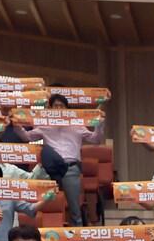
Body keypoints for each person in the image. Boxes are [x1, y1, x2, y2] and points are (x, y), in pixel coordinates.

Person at [10, 92, 105, 225]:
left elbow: (95, 140)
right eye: (55, 106)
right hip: (50, 170)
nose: (58, 109)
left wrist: (99, 125)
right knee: (44, 204)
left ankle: (75, 238)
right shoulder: (44, 125)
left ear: (67, 109)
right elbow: (27, 137)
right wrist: (16, 125)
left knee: (75, 209)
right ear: (50, 109)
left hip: (70, 168)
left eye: (62, 106)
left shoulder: (77, 125)